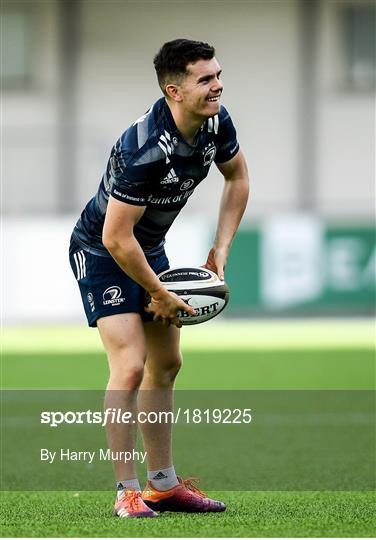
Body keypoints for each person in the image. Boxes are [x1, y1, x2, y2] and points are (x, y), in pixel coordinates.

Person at [69, 38, 249, 518]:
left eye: (217, 74)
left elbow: (238, 178)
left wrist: (221, 248)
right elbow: (115, 238)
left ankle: (164, 486)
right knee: (130, 365)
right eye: (205, 79)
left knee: (166, 366)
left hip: (145, 247)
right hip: (103, 249)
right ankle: (126, 492)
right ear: (174, 90)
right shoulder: (144, 149)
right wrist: (159, 293)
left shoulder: (215, 121)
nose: (218, 86)